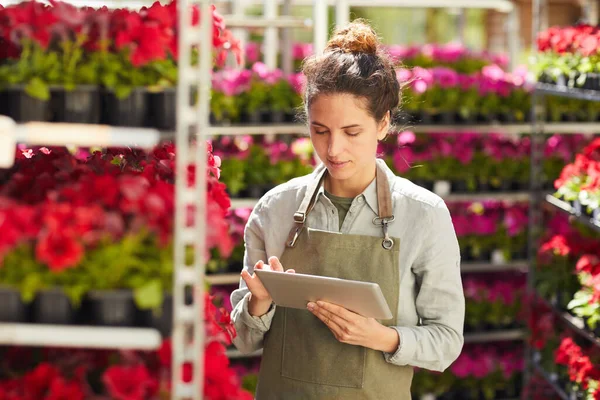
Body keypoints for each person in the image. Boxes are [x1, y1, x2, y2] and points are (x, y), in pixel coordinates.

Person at [230, 20, 465, 400]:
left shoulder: (424, 215)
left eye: (351, 132)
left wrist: (384, 338)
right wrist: (259, 303)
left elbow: (447, 339)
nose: (334, 149)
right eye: (320, 130)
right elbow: (241, 340)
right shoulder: (275, 210)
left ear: (384, 123)